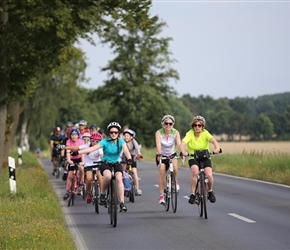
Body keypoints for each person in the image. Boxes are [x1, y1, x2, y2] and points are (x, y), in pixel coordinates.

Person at [76, 122, 133, 212]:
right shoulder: (105, 141)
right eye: (111, 132)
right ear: (109, 133)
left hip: (117, 163)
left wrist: (129, 159)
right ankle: (102, 194)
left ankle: (122, 203)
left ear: (118, 133)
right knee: (107, 176)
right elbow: (91, 149)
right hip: (106, 163)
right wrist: (78, 152)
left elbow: (126, 151)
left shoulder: (121, 141)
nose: (113, 134)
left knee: (119, 178)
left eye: (115, 132)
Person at [180, 115, 220, 204]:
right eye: (195, 125)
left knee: (209, 175)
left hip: (205, 157)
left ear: (203, 127)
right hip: (193, 157)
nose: (197, 127)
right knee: (194, 171)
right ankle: (193, 194)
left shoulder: (205, 133)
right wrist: (183, 151)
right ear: (193, 126)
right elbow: (182, 144)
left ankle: (210, 191)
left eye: (200, 125)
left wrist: (217, 148)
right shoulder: (189, 134)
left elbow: (214, 141)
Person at [64, 131, 104, 203]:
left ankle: (102, 193)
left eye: (98, 141)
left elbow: (102, 156)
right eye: (93, 140)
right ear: (91, 140)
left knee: (99, 176)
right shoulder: (87, 145)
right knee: (88, 178)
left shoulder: (99, 147)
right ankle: (89, 193)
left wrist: (103, 161)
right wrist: (66, 147)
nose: (95, 142)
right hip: (89, 164)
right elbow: (76, 147)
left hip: (98, 163)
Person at [155, 115, 181, 205]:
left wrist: (181, 152)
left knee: (175, 167)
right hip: (162, 155)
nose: (168, 125)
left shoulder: (175, 132)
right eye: (166, 123)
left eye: (170, 123)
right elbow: (158, 144)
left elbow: (178, 144)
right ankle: (162, 195)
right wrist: (159, 154)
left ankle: (175, 180)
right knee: (162, 173)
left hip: (171, 154)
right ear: (163, 124)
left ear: (173, 124)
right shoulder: (159, 133)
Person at [63, 128, 85, 200]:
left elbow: (83, 152)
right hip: (72, 159)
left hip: (79, 158)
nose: (74, 136)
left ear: (78, 135)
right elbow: (68, 152)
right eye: (72, 135)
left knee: (81, 168)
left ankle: (81, 180)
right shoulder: (68, 141)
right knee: (70, 175)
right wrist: (69, 160)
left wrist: (83, 162)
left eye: (75, 135)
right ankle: (67, 191)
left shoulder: (81, 142)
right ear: (70, 136)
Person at [122, 129, 143, 196]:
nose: (126, 137)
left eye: (128, 136)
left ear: (131, 137)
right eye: (125, 136)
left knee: (134, 172)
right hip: (124, 157)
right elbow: (120, 150)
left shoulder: (134, 142)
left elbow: (137, 149)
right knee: (123, 171)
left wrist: (139, 155)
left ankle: (137, 189)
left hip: (132, 157)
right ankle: (124, 186)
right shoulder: (122, 142)